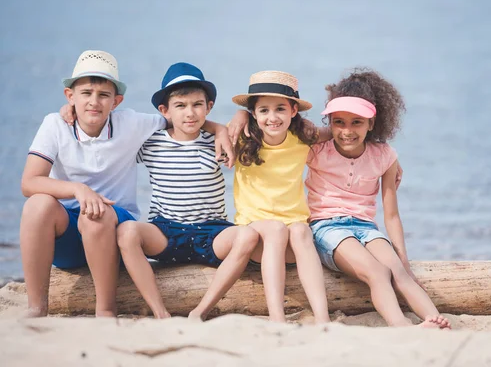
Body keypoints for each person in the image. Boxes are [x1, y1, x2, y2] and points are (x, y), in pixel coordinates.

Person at [21, 51, 232, 318]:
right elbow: (30, 182)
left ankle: (106, 310)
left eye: (103, 95)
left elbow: (183, 118)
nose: (94, 102)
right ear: (69, 96)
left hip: (112, 232)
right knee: (38, 204)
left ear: (116, 101)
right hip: (69, 236)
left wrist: (222, 129)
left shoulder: (131, 123)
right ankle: (36, 308)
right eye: (85, 93)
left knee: (94, 214)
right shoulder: (54, 124)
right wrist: (78, 189)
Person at [305, 68, 451, 328]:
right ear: (329, 123)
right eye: (339, 122)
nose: (347, 131)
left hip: (365, 227)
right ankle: (401, 326)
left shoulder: (384, 155)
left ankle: (434, 319)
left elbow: (391, 214)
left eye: (356, 122)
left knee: (398, 272)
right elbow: (285, 137)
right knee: (377, 272)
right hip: (326, 227)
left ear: (371, 123)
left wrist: (403, 258)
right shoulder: (316, 150)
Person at [116, 62, 260, 320]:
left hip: (211, 232)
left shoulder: (219, 141)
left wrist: (239, 117)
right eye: (180, 106)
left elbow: (259, 124)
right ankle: (160, 312)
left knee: (247, 236)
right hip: (165, 231)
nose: (190, 113)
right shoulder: (150, 142)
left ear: (209, 107)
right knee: (127, 231)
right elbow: (109, 131)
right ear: (165, 111)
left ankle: (200, 311)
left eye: (197, 105)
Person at [230, 71, 330, 324]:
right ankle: (277, 318)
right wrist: (239, 114)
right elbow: (202, 128)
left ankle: (323, 318)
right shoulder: (242, 138)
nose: (272, 118)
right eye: (263, 110)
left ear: (294, 111)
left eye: (280, 109)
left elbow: (345, 132)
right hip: (257, 239)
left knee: (301, 230)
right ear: (254, 114)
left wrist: (387, 158)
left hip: (294, 246)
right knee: (276, 230)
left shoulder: (304, 138)